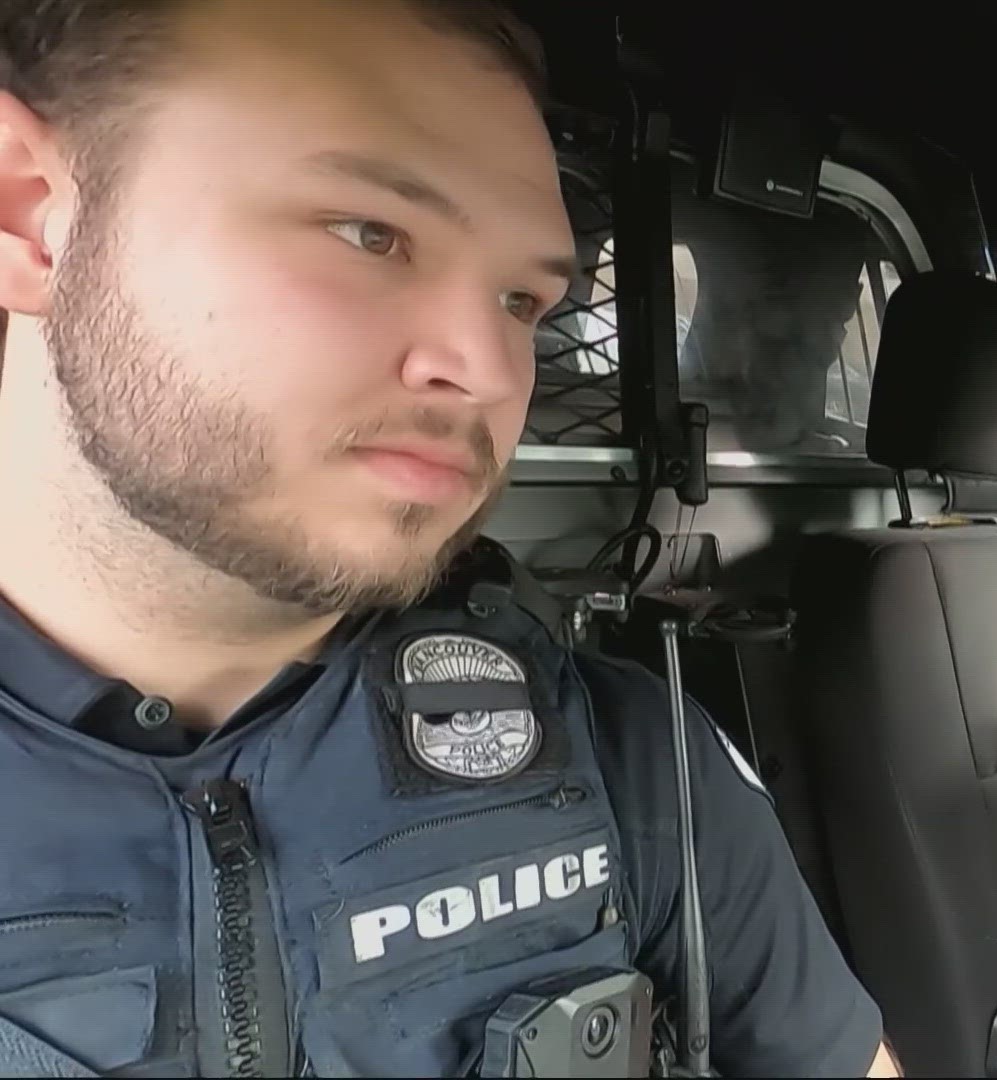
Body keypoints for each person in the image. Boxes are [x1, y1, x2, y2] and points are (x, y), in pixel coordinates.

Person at [0, 1, 896, 1076]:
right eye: (370, 233)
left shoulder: (629, 763)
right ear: (31, 216)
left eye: (524, 299)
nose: (488, 367)